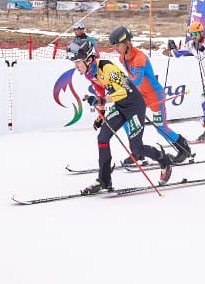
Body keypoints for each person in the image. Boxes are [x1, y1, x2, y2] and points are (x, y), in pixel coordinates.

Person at [68, 37, 173, 194]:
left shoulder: (108, 68)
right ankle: (104, 180)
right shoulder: (90, 73)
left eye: (78, 62)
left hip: (135, 106)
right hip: (121, 106)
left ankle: (164, 160)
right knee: (102, 138)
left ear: (89, 59)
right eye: (74, 62)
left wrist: (101, 100)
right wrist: (101, 113)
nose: (76, 66)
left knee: (136, 147)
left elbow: (123, 91)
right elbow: (100, 91)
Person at [109, 25, 193, 164]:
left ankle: (183, 147)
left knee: (161, 128)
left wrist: (121, 89)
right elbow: (129, 79)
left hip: (155, 95)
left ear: (127, 42)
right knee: (125, 119)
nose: (115, 49)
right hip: (141, 96)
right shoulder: (122, 58)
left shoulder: (139, 58)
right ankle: (137, 152)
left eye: (117, 45)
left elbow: (136, 80)